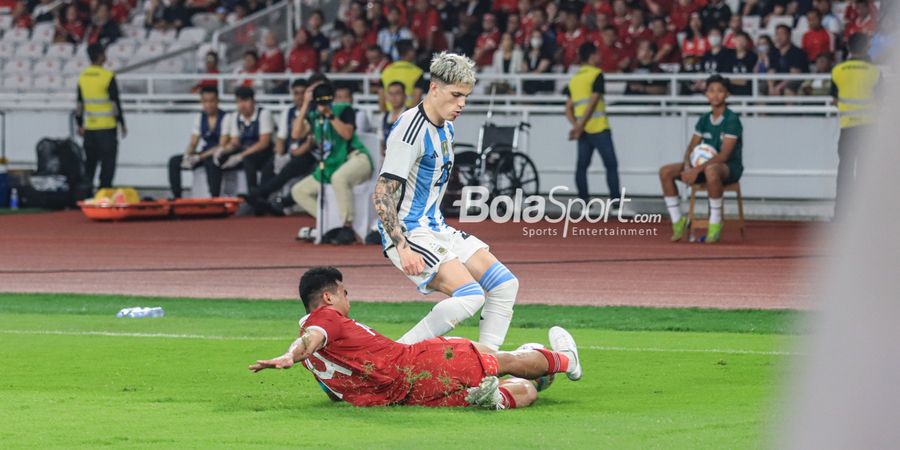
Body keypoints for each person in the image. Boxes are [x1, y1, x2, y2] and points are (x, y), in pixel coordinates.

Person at [247, 267, 583, 409]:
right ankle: (566, 360)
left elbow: (334, 389)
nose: (348, 300)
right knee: (500, 359)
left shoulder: (318, 357)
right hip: (416, 365)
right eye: (344, 293)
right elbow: (313, 337)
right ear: (329, 298)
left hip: (403, 396)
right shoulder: (324, 318)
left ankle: (499, 396)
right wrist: (291, 355)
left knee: (523, 389)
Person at [372, 52, 520, 351]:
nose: (462, 103)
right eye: (455, 95)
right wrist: (402, 245)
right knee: (471, 295)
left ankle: (487, 366)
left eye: (465, 96)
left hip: (437, 227)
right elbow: (382, 193)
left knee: (505, 285)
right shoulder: (409, 130)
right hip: (410, 232)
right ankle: (392, 357)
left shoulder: (447, 128)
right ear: (434, 88)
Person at [658, 75, 743, 244]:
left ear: (727, 95)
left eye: (720, 91)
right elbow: (691, 147)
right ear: (706, 95)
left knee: (712, 171)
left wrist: (696, 170)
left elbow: (724, 155)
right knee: (666, 171)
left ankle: (714, 223)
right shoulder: (704, 119)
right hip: (703, 166)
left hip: (728, 167)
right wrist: (688, 165)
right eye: (711, 91)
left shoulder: (732, 120)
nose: (715, 95)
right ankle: (678, 221)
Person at [289, 83, 374, 243]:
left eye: (325, 100)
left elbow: (347, 134)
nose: (323, 103)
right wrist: (306, 104)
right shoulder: (313, 115)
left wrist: (330, 115)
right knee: (298, 191)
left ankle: (347, 227)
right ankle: (328, 223)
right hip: (331, 164)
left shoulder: (344, 109)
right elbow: (295, 133)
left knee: (338, 178)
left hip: (356, 158)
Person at [564, 43, 627, 212]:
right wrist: (581, 125)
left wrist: (576, 126)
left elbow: (568, 107)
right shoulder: (596, 75)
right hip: (599, 128)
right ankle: (615, 202)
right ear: (592, 56)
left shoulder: (575, 78)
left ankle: (584, 202)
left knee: (581, 167)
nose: (600, 56)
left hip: (583, 132)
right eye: (598, 54)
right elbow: (593, 102)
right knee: (611, 164)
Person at [246, 79, 316, 215]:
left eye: (303, 93)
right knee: (269, 166)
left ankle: (259, 194)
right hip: (290, 152)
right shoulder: (287, 112)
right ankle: (263, 202)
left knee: (290, 168)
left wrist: (291, 155)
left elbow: (309, 142)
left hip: (307, 154)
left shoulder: (314, 113)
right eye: (296, 93)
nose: (299, 97)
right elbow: (281, 138)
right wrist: (279, 155)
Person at [830, 33, 880, 218]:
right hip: (868, 128)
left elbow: (834, 99)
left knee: (845, 171)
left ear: (849, 48)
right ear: (867, 46)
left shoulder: (838, 70)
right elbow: (880, 98)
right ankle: (867, 216)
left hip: (847, 128)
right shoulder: (873, 72)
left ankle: (841, 214)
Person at [75, 43, 127, 194]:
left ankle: (85, 195)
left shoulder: (83, 76)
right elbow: (114, 103)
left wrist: (79, 123)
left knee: (90, 164)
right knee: (108, 164)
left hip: (90, 128)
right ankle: (104, 194)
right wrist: (122, 123)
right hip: (107, 127)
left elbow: (79, 103)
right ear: (100, 56)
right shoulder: (107, 76)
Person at [210, 86, 274, 195]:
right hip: (245, 151)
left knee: (248, 160)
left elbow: (264, 143)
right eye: (239, 102)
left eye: (245, 101)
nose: (242, 105)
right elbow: (235, 142)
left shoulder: (264, 114)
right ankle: (215, 196)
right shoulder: (235, 116)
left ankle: (253, 193)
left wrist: (240, 156)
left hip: (263, 153)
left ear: (253, 101)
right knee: (216, 160)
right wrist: (223, 150)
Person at [168, 86, 225, 199]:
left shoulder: (226, 117)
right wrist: (187, 155)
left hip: (219, 154)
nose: (208, 105)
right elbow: (193, 142)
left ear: (217, 101)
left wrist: (200, 157)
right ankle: (177, 198)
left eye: (211, 101)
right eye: (205, 101)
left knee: (212, 162)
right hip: (204, 154)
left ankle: (214, 198)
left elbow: (222, 144)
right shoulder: (200, 117)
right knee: (174, 161)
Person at [379, 40, 427, 111]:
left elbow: (381, 99)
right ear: (409, 52)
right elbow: (416, 99)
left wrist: (386, 116)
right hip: (407, 115)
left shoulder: (386, 71)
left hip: (390, 114)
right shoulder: (417, 72)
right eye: (413, 50)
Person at [768, 25, 809, 96]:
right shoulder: (773, 52)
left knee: (789, 89)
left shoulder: (797, 52)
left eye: (782, 34)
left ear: (789, 35)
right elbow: (771, 71)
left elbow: (795, 73)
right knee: (762, 87)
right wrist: (771, 87)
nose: (779, 37)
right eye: (777, 34)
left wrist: (779, 87)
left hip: (795, 80)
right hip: (778, 80)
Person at [379, 81, 408, 157]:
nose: (394, 97)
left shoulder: (411, 116)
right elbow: (381, 142)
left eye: (397, 93)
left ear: (405, 96)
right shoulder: (383, 117)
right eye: (391, 94)